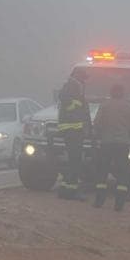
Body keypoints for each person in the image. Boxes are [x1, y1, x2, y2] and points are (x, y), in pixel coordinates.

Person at [92, 83, 130, 211]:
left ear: (111, 93)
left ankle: (99, 201)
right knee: (123, 173)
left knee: (102, 172)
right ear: (123, 93)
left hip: (106, 144)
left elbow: (97, 123)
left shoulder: (104, 106)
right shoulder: (129, 107)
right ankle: (119, 203)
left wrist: (96, 137)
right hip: (123, 144)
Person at [56, 68, 92, 200]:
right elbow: (68, 102)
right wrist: (76, 106)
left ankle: (65, 189)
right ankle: (73, 191)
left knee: (73, 161)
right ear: (78, 76)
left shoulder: (73, 86)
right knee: (75, 161)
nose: (85, 80)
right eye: (83, 77)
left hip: (73, 129)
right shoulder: (73, 86)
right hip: (73, 129)